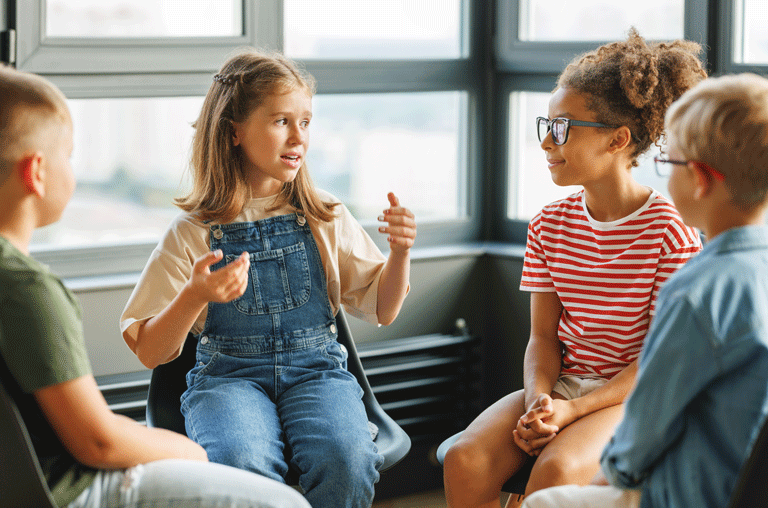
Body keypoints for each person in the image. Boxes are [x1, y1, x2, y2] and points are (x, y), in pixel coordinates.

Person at [0, 65, 311, 508]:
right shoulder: (24, 290)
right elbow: (98, 442)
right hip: (68, 488)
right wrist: (192, 454)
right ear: (36, 172)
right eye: (67, 156)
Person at [120, 49, 416, 508]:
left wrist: (400, 254)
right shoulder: (192, 232)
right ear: (234, 131)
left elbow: (384, 308)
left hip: (317, 373)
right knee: (240, 463)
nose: (298, 136)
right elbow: (150, 351)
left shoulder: (324, 214)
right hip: (227, 380)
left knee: (348, 458)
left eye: (306, 122)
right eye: (281, 120)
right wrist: (195, 295)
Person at [443, 29, 707, 508]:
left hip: (634, 398)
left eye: (563, 127)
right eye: (546, 124)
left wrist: (572, 411)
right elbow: (543, 339)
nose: (547, 141)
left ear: (618, 140)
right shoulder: (549, 224)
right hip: (562, 387)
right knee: (464, 457)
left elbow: (657, 359)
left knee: (556, 473)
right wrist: (537, 404)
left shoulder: (670, 232)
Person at [521, 72, 768, 508]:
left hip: (691, 491)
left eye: (667, 164)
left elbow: (649, 419)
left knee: (546, 501)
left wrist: (608, 479)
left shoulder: (694, 291)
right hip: (746, 485)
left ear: (699, 179)